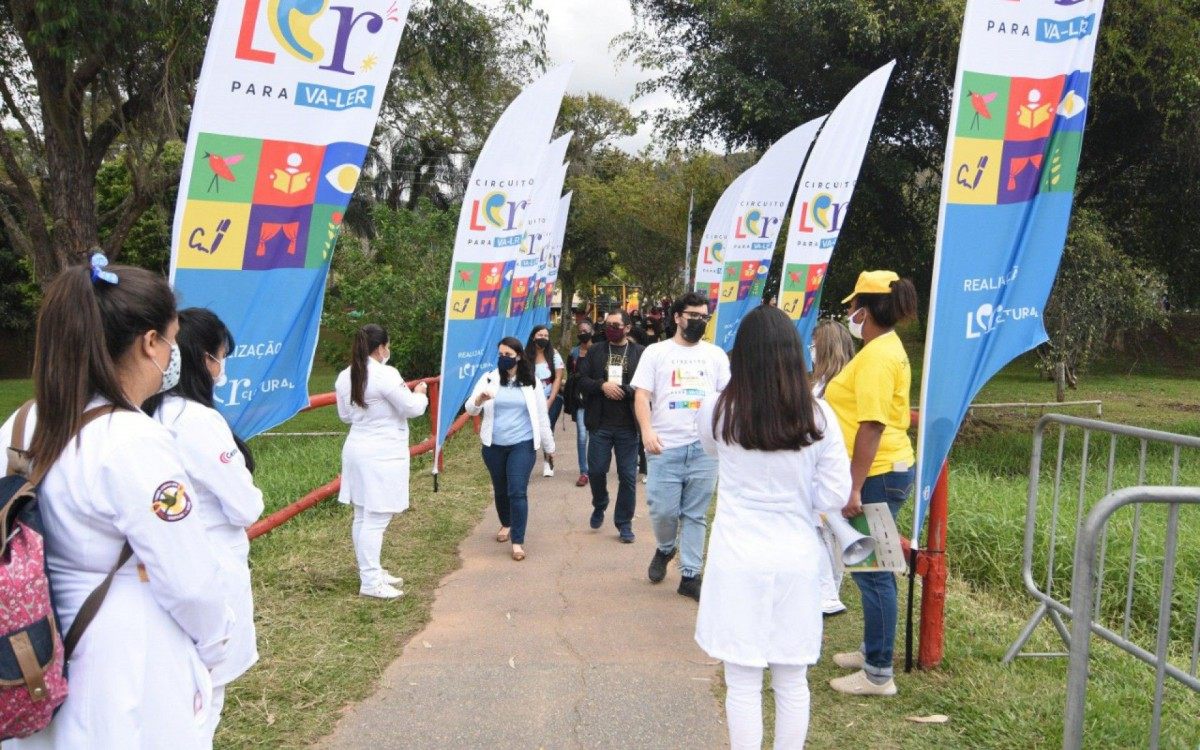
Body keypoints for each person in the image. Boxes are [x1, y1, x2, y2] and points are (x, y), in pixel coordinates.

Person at [2, 255, 233, 749]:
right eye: (170, 341)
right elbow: (190, 580)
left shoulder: (21, 425)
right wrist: (216, 644)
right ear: (150, 343)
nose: (173, 355)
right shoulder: (133, 440)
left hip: (35, 652)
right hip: (122, 657)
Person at [695, 306, 851, 750]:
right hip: (796, 557)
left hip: (736, 556)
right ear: (792, 354)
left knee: (741, 681)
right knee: (791, 676)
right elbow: (834, 496)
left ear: (741, 356)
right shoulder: (818, 417)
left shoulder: (718, 410)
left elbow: (710, 450)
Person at [143, 308, 264, 741]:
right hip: (210, 567)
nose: (222, 365)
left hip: (162, 571)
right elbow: (245, 506)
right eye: (220, 355)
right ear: (203, 359)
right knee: (206, 698)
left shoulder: (148, 415)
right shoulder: (196, 420)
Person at [824, 270, 919, 697]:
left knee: (873, 571)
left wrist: (854, 487)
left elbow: (873, 424)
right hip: (880, 470)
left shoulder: (879, 356)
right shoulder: (881, 348)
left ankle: (878, 673)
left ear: (868, 308)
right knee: (871, 568)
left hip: (877, 473)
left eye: (852, 306)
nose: (849, 313)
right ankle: (871, 651)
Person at [632, 291, 730, 601]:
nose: (699, 322)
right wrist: (647, 431)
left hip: (704, 450)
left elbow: (726, 400)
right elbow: (641, 395)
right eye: (693, 316)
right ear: (677, 317)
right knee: (662, 512)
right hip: (664, 447)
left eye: (704, 317)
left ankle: (690, 575)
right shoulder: (656, 353)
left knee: (695, 514)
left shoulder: (716, 356)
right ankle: (665, 548)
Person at [335, 324, 429, 600]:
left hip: (357, 448)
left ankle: (370, 571)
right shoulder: (386, 374)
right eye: (387, 345)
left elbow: (344, 416)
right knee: (376, 518)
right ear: (380, 348)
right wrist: (421, 393)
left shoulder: (344, 376)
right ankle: (370, 580)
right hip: (381, 454)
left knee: (363, 514)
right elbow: (411, 408)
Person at [465, 338, 555, 561]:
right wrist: (479, 399)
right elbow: (471, 409)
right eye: (500, 354)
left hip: (522, 445)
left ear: (518, 356)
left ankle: (518, 541)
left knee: (517, 490)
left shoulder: (530, 381)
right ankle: (506, 522)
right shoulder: (489, 379)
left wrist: (549, 447)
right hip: (494, 446)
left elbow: (542, 417)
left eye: (507, 354)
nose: (503, 358)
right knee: (501, 489)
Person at [577, 309, 645, 543]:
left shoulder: (639, 353)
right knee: (596, 471)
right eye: (608, 324)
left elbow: (646, 386)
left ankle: (624, 522)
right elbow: (580, 380)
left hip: (628, 426)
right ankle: (600, 502)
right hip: (600, 424)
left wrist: (625, 390)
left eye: (616, 324)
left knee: (627, 476)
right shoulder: (595, 350)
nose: (611, 328)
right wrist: (602, 386)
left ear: (627, 327)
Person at [810, 318, 857, 616]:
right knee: (828, 531)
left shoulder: (837, 387)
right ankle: (828, 590)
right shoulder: (822, 384)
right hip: (835, 465)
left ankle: (828, 592)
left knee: (826, 529)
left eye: (814, 346)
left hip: (835, 466)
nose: (810, 351)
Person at [527, 325, 564, 477]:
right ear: (533, 337)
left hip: (551, 398)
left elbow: (558, 378)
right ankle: (525, 465)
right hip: (531, 399)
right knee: (529, 432)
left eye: (546, 336)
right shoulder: (525, 355)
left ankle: (548, 462)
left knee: (548, 429)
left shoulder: (554, 354)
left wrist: (550, 400)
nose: (543, 338)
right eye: (540, 335)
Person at [566, 322, 594, 487]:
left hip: (596, 399)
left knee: (597, 437)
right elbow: (571, 374)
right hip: (580, 400)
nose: (583, 333)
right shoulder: (574, 352)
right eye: (580, 331)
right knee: (582, 436)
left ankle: (596, 468)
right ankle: (584, 471)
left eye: (586, 330)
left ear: (592, 332)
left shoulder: (599, 350)